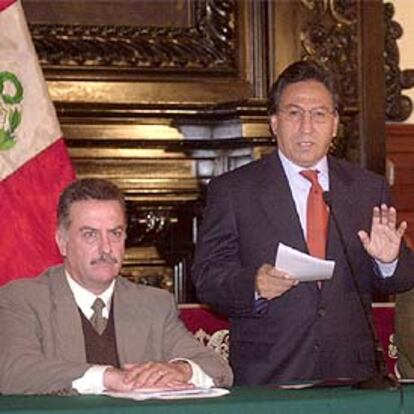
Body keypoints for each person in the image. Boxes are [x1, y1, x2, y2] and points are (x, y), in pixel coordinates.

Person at [191, 60, 414, 385]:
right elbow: (208, 277)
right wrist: (253, 285)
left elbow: (403, 279)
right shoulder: (234, 190)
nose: (307, 127)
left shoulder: (367, 188)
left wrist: (389, 260)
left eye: (319, 114)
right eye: (294, 113)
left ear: (335, 124)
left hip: (351, 372)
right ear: (274, 122)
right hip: (269, 372)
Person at [0, 178, 232, 395]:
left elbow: (218, 369)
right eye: (90, 235)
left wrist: (181, 369)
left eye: (115, 233)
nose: (106, 248)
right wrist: (107, 377)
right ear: (62, 242)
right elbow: (13, 372)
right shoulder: (23, 299)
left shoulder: (153, 304)